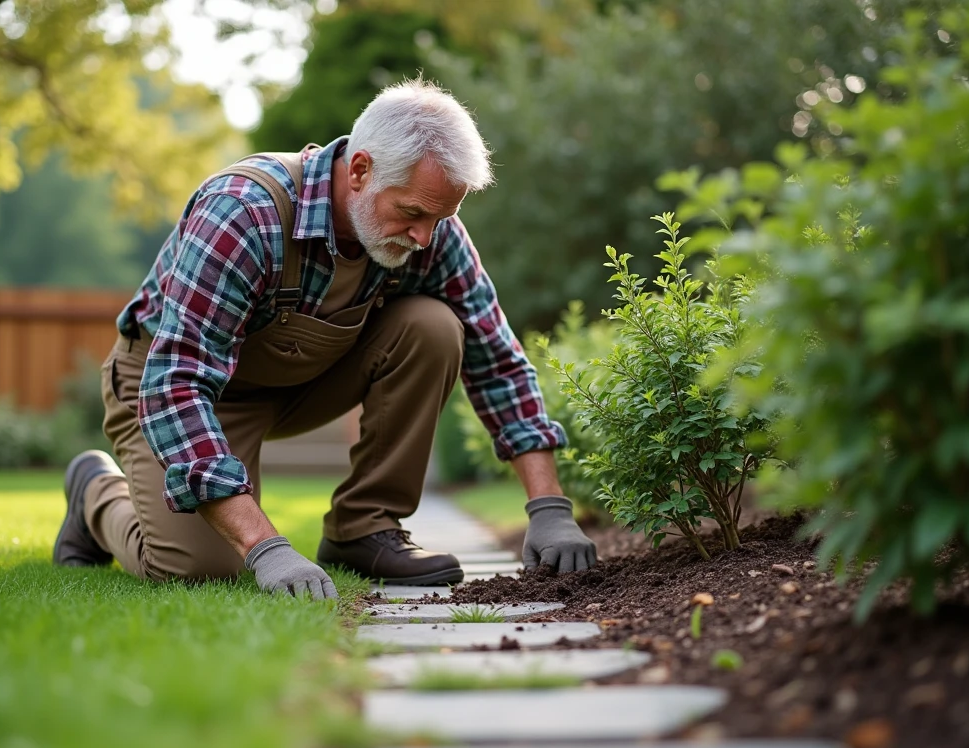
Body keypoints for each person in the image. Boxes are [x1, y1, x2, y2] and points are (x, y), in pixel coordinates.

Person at [53, 79, 598, 599]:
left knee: (435, 327)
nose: (425, 237)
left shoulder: (427, 229)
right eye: (412, 213)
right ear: (359, 170)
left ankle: (362, 530)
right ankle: (96, 495)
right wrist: (264, 546)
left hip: (301, 381)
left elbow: (495, 356)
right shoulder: (244, 212)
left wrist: (548, 506)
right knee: (196, 568)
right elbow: (176, 384)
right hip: (178, 389)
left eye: (440, 218)